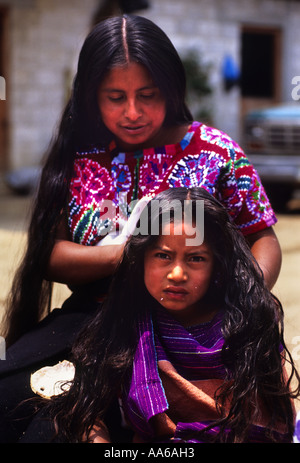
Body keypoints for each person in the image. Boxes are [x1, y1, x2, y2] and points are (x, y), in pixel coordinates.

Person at [0, 14, 281, 441]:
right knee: (10, 398)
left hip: (186, 329)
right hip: (92, 322)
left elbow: (262, 237)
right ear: (91, 95)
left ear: (172, 89)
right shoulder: (82, 156)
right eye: (115, 97)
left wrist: (240, 305)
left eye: (147, 95)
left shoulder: (216, 153)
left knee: (57, 427)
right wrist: (129, 253)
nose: (132, 113)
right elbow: (51, 256)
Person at [22, 187, 299, 443]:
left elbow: (271, 423)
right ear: (140, 258)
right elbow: (88, 411)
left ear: (218, 265)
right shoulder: (126, 323)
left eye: (196, 258)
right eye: (163, 256)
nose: (177, 274)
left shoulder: (247, 327)